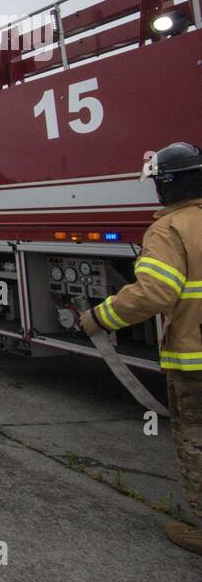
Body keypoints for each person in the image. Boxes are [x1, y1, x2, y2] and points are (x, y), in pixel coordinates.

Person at [80, 142, 202, 556]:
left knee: (195, 444)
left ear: (165, 186)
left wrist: (98, 318)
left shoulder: (169, 230)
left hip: (195, 358)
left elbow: (154, 294)